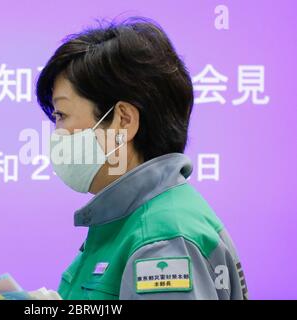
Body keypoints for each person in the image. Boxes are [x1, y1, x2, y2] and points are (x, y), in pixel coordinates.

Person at [35, 16, 248, 300]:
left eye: (62, 115)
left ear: (123, 121)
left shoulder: (161, 238)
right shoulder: (133, 220)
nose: (57, 134)